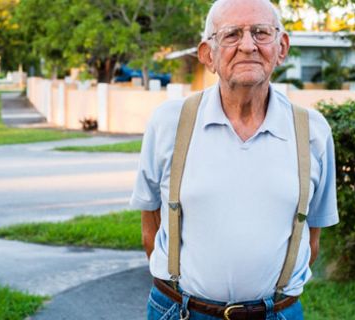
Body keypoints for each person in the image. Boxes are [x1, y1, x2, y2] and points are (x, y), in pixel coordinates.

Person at [130, 0, 338, 319]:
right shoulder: (168, 123)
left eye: (260, 32)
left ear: (281, 47)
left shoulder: (312, 131)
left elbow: (312, 237)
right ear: (207, 54)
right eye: (231, 35)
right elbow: (151, 227)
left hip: (277, 314)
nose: (247, 46)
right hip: (180, 311)